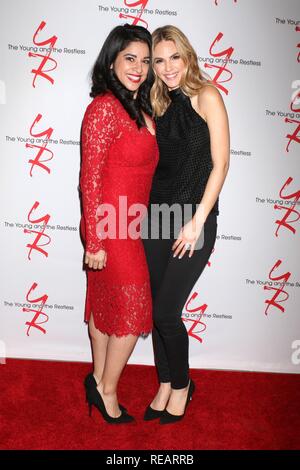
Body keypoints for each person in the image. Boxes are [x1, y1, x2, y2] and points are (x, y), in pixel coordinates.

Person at [142, 25, 230, 424]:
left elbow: (221, 163)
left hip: (193, 220)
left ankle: (182, 386)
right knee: (157, 309)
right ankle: (164, 382)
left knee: (166, 313)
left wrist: (197, 220)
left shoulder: (207, 95)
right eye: (159, 61)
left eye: (173, 57)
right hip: (156, 217)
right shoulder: (158, 103)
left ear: (187, 55)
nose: (167, 67)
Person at [79, 24, 158, 424]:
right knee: (130, 307)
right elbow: (89, 178)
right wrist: (94, 240)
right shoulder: (104, 108)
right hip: (108, 226)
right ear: (111, 60)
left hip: (132, 225)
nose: (139, 68)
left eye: (145, 61)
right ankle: (107, 392)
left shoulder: (141, 108)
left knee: (110, 307)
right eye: (131, 58)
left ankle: (96, 379)